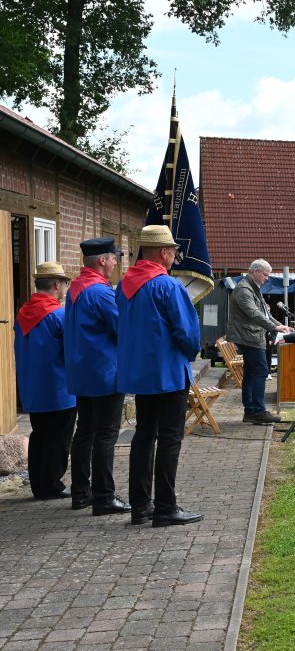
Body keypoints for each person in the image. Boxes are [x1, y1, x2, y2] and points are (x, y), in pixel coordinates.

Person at [117, 225, 202, 526]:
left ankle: (141, 506)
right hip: (166, 373)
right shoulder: (168, 286)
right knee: (169, 439)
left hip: (140, 374)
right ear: (164, 252)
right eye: (173, 252)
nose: (174, 258)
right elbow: (188, 334)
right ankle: (166, 507)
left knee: (143, 436)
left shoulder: (124, 286)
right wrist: (190, 352)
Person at [65, 237, 130, 515]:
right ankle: (104, 497)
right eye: (114, 257)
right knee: (105, 435)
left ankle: (81, 492)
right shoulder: (101, 292)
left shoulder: (75, 289)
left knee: (85, 432)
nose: (116, 263)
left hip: (83, 371)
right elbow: (121, 328)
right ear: (102, 260)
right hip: (105, 372)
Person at [14, 262, 76, 501]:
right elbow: (70, 349)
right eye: (65, 283)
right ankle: (52, 485)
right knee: (58, 439)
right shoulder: (58, 314)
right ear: (56, 284)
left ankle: (39, 485)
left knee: (39, 436)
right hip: (59, 387)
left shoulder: (22, 313)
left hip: (33, 386)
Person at [225, 260, 291, 423]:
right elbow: (254, 313)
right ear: (255, 271)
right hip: (248, 337)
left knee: (252, 372)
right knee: (261, 370)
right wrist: (274, 328)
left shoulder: (253, 287)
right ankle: (257, 411)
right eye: (266, 274)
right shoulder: (244, 289)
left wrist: (278, 325)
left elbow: (264, 313)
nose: (267, 278)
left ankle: (251, 410)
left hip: (251, 336)